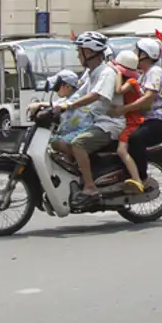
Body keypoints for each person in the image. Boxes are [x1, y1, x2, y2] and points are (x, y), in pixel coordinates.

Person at [48, 31, 123, 207]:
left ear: (89, 52)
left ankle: (90, 188)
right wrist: (48, 106)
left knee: (78, 144)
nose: (77, 55)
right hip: (93, 121)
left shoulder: (106, 73)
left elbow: (95, 95)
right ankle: (81, 174)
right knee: (57, 142)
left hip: (108, 124)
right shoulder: (90, 73)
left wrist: (69, 106)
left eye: (79, 51)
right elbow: (76, 95)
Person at [124, 38, 162, 188]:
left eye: (137, 52)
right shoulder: (142, 75)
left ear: (145, 55)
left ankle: (142, 177)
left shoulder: (155, 72)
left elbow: (148, 99)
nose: (135, 54)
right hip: (146, 119)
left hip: (160, 120)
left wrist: (123, 109)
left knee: (135, 138)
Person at [108, 49, 147, 193]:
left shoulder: (131, 81)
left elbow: (118, 90)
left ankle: (137, 179)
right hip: (129, 118)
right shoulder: (133, 80)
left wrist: (117, 72)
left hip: (133, 121)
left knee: (121, 150)